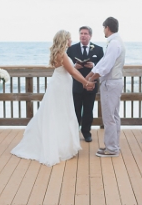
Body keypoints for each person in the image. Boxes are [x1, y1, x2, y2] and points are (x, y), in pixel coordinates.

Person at [11, 31, 94, 166]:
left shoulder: (58, 53)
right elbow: (72, 72)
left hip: (59, 84)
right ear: (64, 40)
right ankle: (59, 146)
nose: (71, 40)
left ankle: (61, 143)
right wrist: (86, 82)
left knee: (57, 113)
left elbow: (69, 69)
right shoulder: (63, 54)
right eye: (69, 38)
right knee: (61, 114)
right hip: (61, 86)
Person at [84, 17, 126, 158]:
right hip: (114, 82)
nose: (103, 30)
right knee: (114, 116)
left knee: (109, 117)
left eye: (103, 28)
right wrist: (89, 76)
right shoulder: (116, 42)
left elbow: (106, 67)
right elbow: (102, 63)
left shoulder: (114, 43)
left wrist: (91, 80)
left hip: (111, 83)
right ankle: (113, 145)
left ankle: (112, 148)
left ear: (107, 27)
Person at [66, 26, 104, 142]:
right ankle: (74, 133)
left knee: (88, 109)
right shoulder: (71, 49)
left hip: (90, 84)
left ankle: (86, 132)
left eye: (85, 33)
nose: (83, 35)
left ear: (90, 36)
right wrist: (74, 66)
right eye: (81, 33)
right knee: (75, 109)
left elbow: (103, 65)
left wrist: (93, 65)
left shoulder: (98, 49)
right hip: (76, 84)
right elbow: (66, 64)